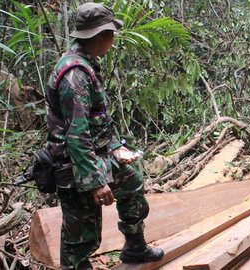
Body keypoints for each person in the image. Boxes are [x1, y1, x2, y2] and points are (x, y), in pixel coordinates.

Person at [44, 2, 164, 269]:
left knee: (131, 180)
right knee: (81, 238)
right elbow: (77, 135)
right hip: (75, 166)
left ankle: (135, 248)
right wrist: (95, 182)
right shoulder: (74, 74)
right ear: (100, 36)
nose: (113, 38)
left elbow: (97, 120)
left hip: (96, 156)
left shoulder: (87, 64)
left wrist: (115, 147)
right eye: (110, 33)